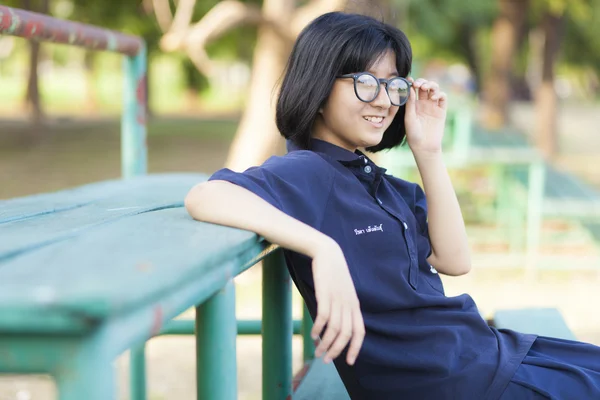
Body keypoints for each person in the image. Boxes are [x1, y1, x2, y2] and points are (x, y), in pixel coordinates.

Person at [184, 11, 600, 400]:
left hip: (476, 354)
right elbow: (206, 195)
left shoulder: (377, 182)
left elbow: (454, 260)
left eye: (394, 85)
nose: (384, 101)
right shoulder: (308, 171)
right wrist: (322, 248)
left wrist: (428, 150)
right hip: (447, 380)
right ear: (318, 83)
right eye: (366, 82)